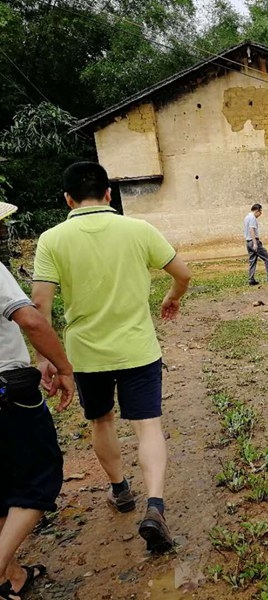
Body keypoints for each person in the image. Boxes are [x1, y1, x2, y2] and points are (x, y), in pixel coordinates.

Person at [31, 162, 192, 555]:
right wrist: (171, 298)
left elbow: (39, 305)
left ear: (67, 199)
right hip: (138, 349)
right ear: (109, 194)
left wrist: (46, 356)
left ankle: (120, 490)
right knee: (148, 427)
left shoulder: (52, 239)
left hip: (86, 356)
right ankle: (155, 505)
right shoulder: (138, 230)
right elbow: (183, 274)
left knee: (100, 420)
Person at [1, 204, 75, 600]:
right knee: (38, 479)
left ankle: (11, 576)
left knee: (2, 487)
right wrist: (62, 367)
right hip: (7, 392)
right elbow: (31, 320)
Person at [244, 203, 268, 285]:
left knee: (252, 261)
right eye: (260, 212)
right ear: (257, 211)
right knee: (267, 259)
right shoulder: (252, 218)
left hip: (248, 242)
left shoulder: (246, 217)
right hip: (253, 241)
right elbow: (251, 230)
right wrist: (255, 243)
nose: (261, 214)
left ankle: (251, 279)